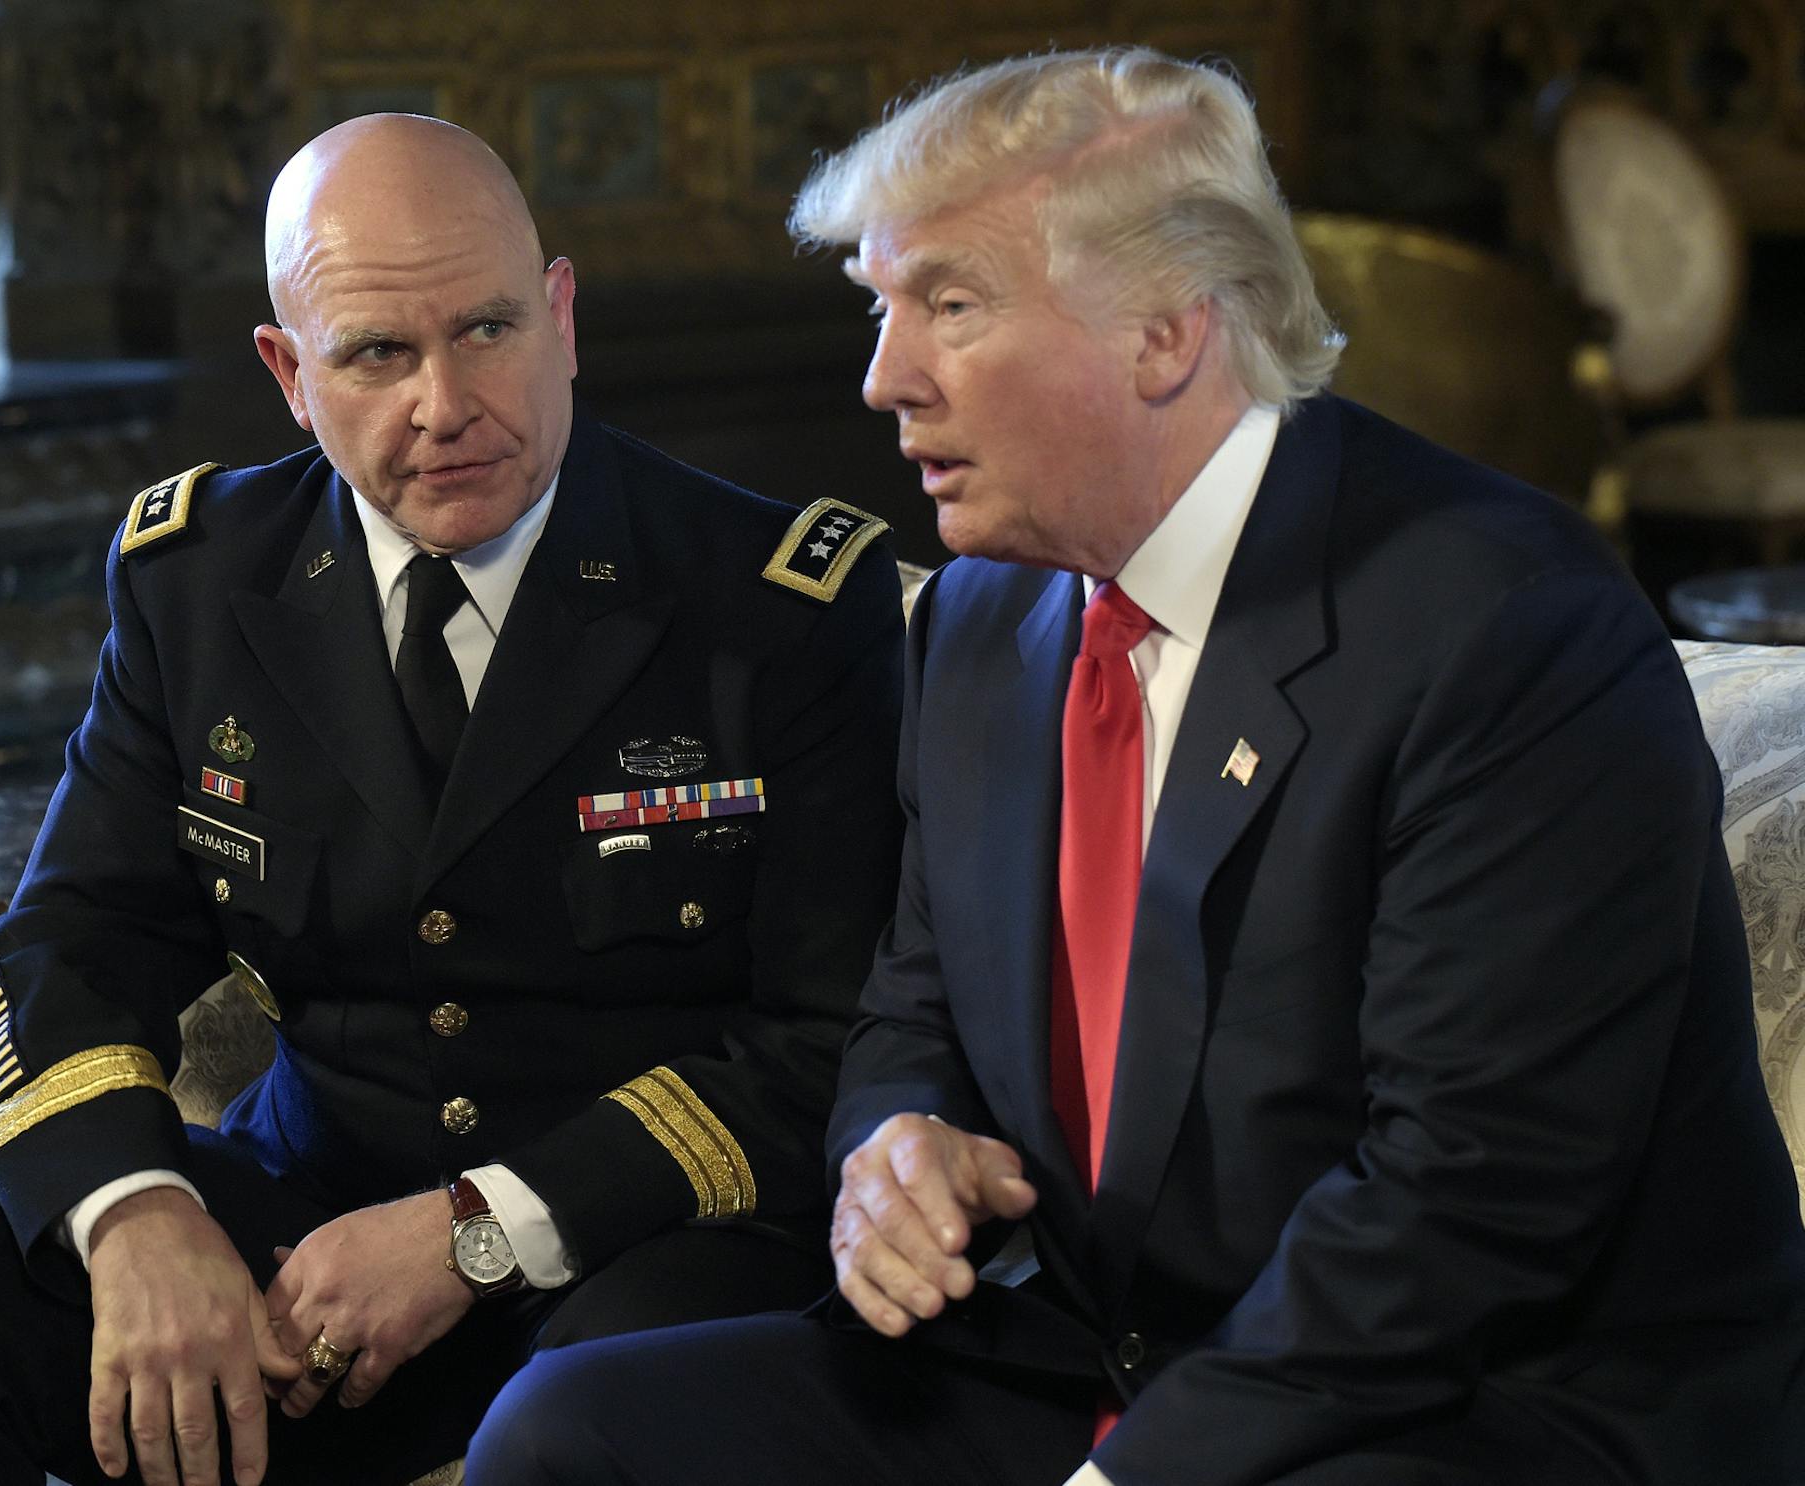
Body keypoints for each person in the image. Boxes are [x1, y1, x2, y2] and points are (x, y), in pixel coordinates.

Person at [464, 47, 1805, 1486]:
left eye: (950, 305)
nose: (880, 378)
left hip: (1475, 1400)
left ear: (1167, 332)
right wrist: (894, 1147)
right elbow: (914, 1001)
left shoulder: (1505, 628)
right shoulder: (982, 615)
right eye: (879, 307)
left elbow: (1467, 1209)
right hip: (1090, 1351)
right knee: (569, 1437)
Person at [0, 114, 905, 1486]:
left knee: (594, 1415)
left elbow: (822, 1046)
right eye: (378, 352)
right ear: (289, 374)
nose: (446, 401)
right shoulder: (201, 581)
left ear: (560, 314)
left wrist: (474, 1227)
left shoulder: (775, 600)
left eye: (487, 329)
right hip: (308, 1241)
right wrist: (137, 1217)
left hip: (641, 1248)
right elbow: (67, 944)